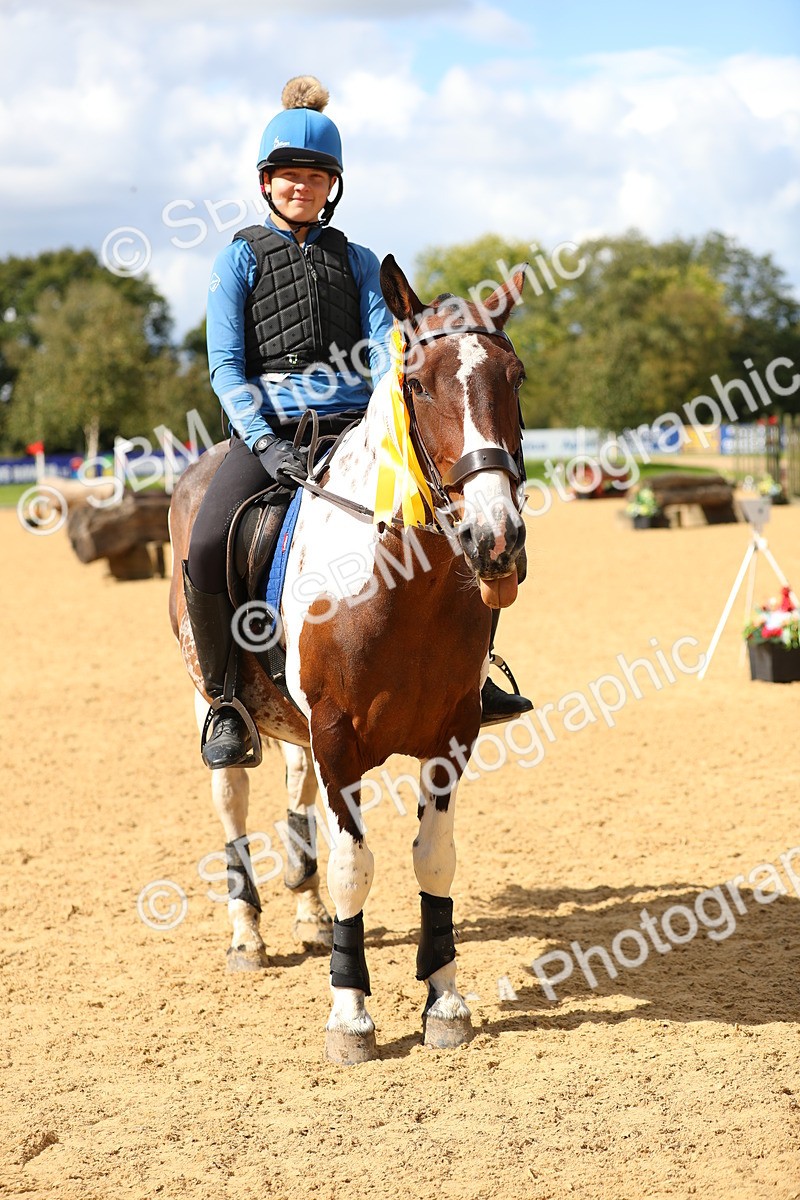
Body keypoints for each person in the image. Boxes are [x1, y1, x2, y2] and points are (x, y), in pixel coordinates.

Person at [183, 76, 531, 770]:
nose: (301, 187)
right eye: (289, 176)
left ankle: (474, 673)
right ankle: (227, 701)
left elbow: (383, 349)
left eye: (315, 177)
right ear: (266, 183)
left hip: (353, 425)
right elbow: (225, 367)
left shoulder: (360, 261)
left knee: (461, 520)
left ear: (332, 186)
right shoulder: (238, 259)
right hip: (269, 432)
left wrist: (382, 423)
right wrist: (263, 443)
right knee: (208, 541)